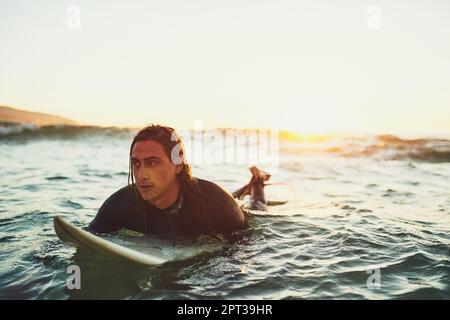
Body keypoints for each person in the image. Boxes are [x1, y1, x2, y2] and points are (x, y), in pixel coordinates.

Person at [88, 124, 270, 238]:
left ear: (178, 165)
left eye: (152, 163)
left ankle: (258, 180)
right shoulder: (120, 204)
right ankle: (250, 183)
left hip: (229, 205)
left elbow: (244, 253)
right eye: (136, 163)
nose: (141, 174)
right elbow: (86, 237)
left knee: (257, 205)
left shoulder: (218, 205)